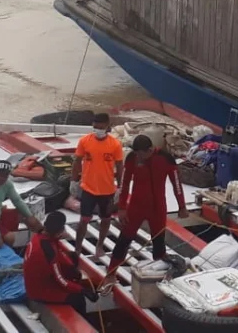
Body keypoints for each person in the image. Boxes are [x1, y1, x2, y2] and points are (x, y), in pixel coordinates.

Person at [104, 135, 188, 283]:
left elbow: (176, 184)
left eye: (140, 154)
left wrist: (182, 206)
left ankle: (157, 278)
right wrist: (122, 207)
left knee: (159, 244)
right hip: (136, 207)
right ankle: (111, 273)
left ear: (150, 150)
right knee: (124, 240)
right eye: (136, 154)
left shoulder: (165, 158)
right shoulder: (132, 158)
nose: (138, 157)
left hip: (158, 208)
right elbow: (124, 183)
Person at [24, 211, 99, 316]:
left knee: (73, 258)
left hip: (41, 277)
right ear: (58, 232)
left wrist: (72, 267)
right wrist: (82, 290)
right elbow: (60, 280)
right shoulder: (48, 251)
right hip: (39, 290)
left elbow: (58, 251)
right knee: (78, 299)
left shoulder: (41, 235)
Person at [72, 113, 124, 260]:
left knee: (106, 219)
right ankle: (77, 247)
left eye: (100, 127)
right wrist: (73, 181)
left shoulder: (115, 144)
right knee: (84, 220)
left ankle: (99, 245)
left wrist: (120, 187)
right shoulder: (84, 141)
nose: (97, 130)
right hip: (88, 188)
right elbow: (77, 162)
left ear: (107, 126)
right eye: (95, 127)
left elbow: (120, 166)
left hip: (107, 190)